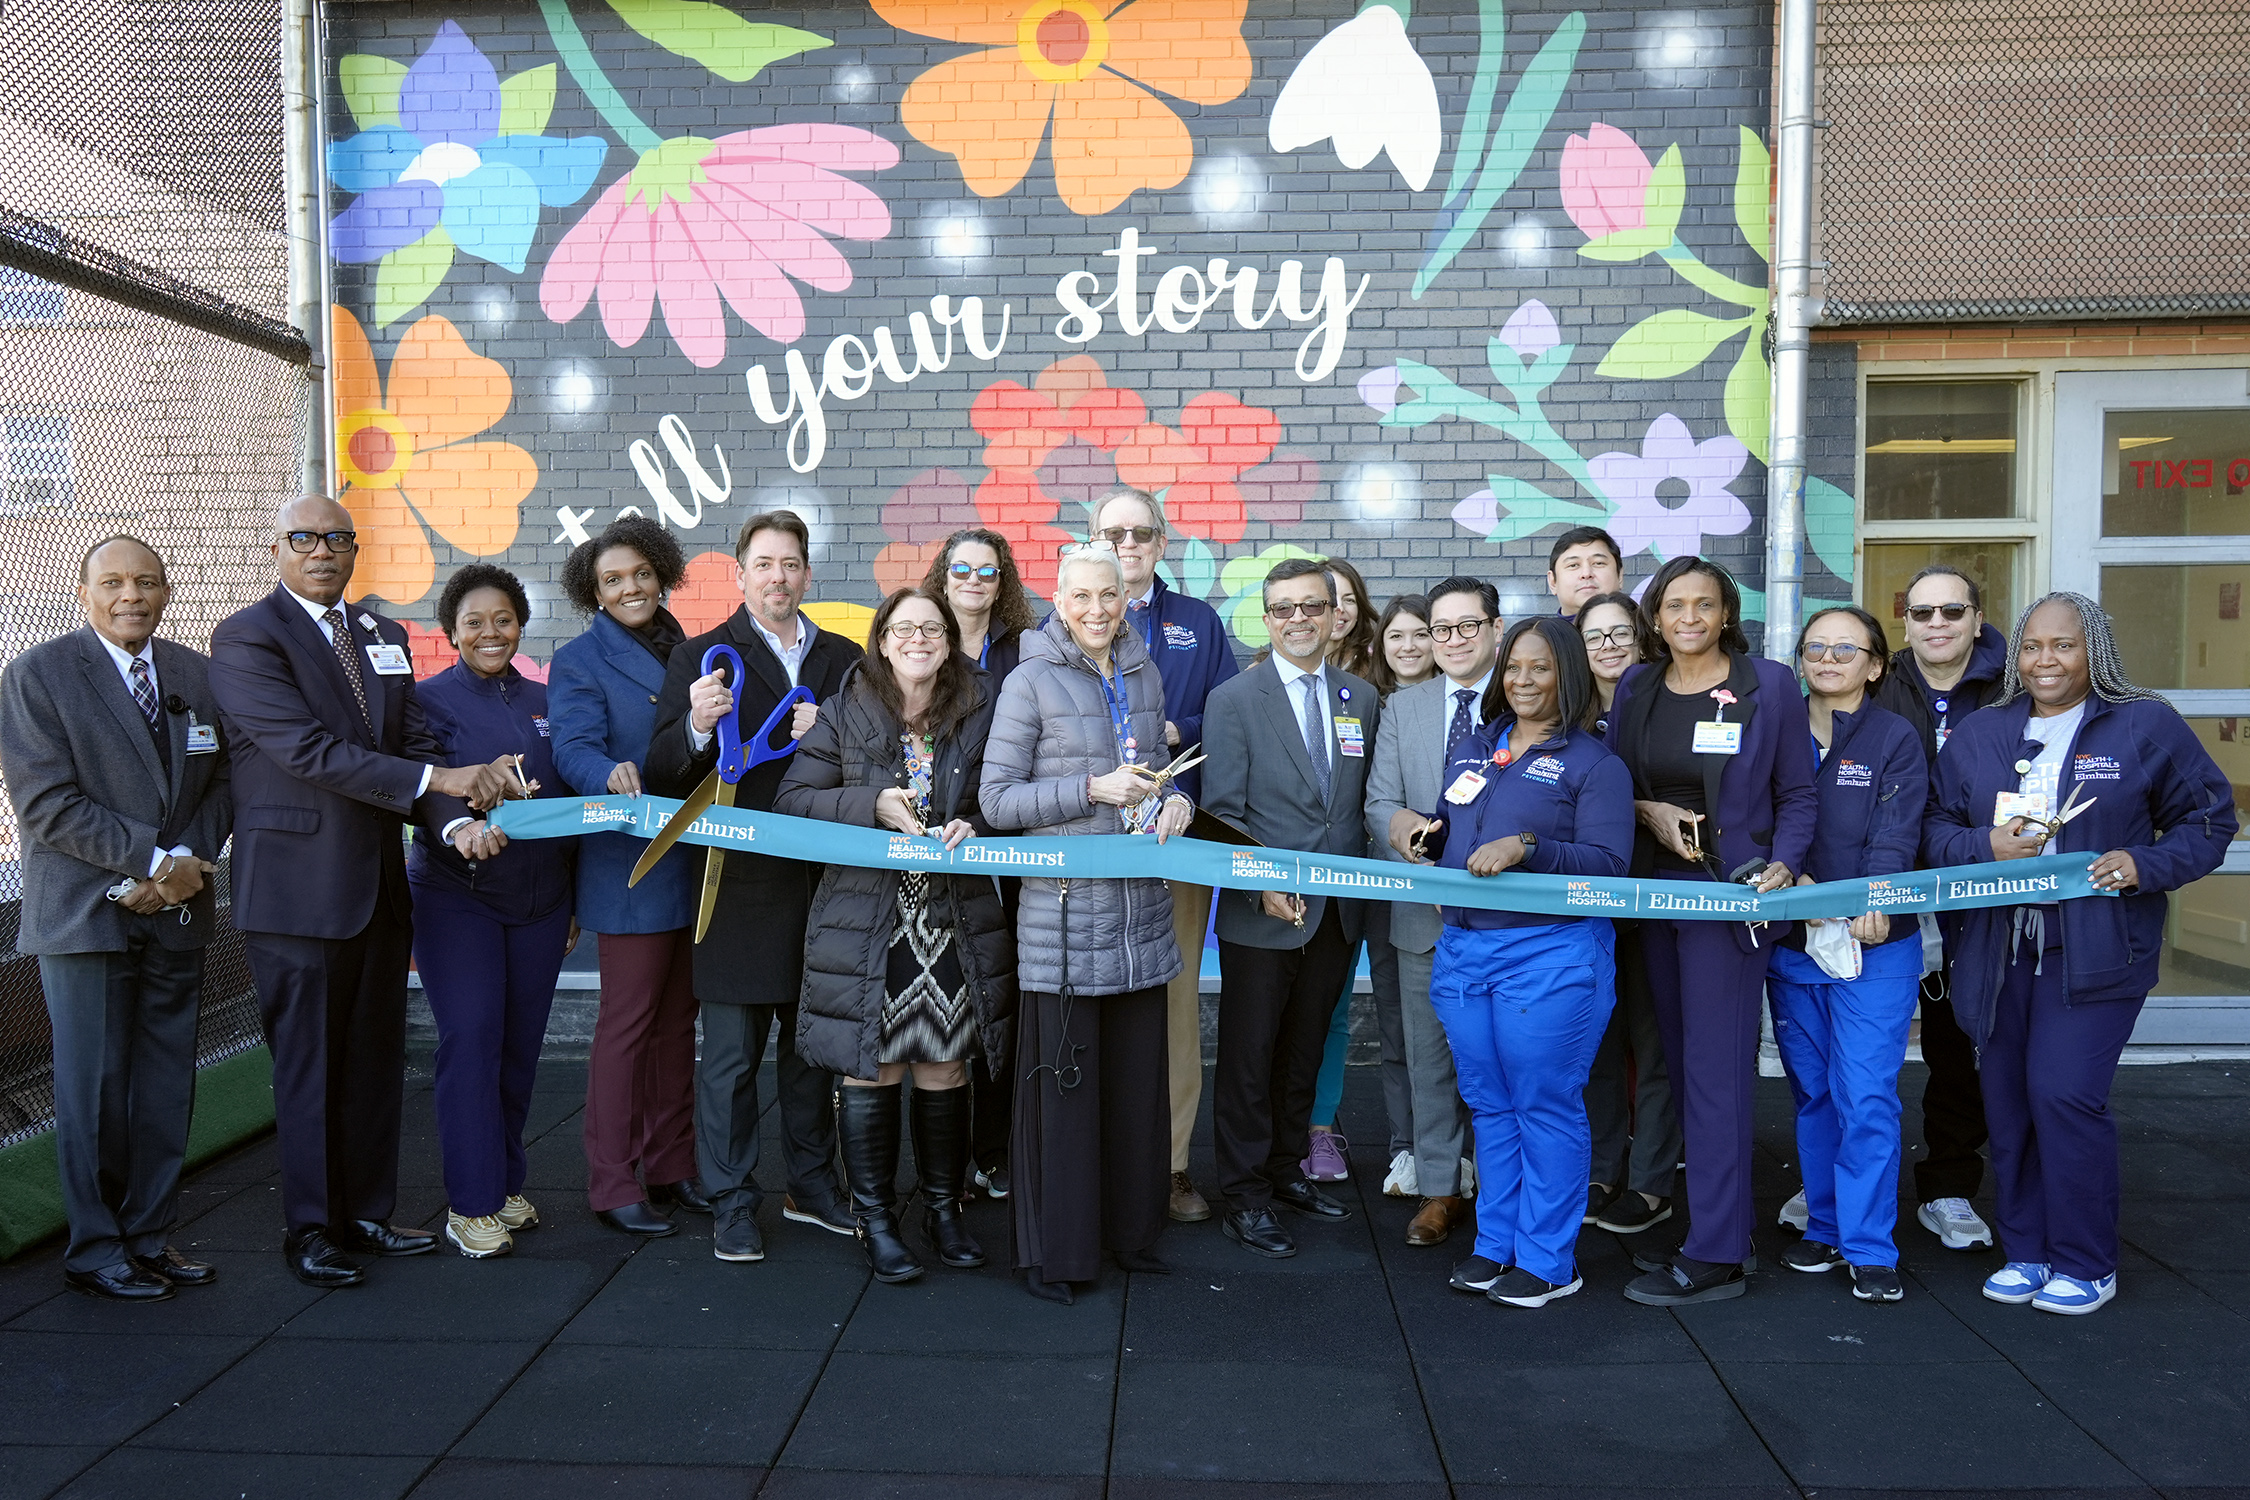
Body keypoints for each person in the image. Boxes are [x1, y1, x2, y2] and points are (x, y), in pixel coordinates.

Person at [210, 496, 514, 1287]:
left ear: (353, 550)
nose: (322, 550)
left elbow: (411, 741)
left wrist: (452, 822)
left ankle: (367, 1213)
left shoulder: (382, 634)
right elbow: (306, 750)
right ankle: (312, 1229)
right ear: (276, 549)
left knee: (375, 1058)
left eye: (337, 538)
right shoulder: (246, 637)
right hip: (296, 892)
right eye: (304, 537)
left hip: (377, 886)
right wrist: (440, 780)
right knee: (310, 1065)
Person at [1927, 592, 2235, 1316]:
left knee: (2063, 1094)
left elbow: (2209, 819)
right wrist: (1982, 845)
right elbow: (1933, 827)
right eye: (2032, 646)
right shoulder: (1981, 731)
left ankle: (2086, 1261)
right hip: (1998, 949)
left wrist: (2143, 864)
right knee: (2008, 1102)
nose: (2046, 661)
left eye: (2063, 645)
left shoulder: (2143, 724)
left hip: (2096, 948)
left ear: (2093, 651)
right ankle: (2028, 1251)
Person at [0, 537, 231, 1300]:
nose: (130, 595)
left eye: (146, 582)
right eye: (113, 583)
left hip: (178, 910)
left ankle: (150, 1236)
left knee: (165, 1084)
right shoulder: (36, 676)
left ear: (167, 592)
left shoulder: (197, 675)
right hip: (85, 915)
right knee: (94, 1090)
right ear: (84, 592)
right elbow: (46, 804)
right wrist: (154, 864)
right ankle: (95, 1248)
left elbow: (225, 780)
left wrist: (185, 865)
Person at [778, 587, 1016, 1282]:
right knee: (870, 1066)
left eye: (932, 628)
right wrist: (871, 803)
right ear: (882, 640)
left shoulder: (981, 706)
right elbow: (793, 800)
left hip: (952, 919)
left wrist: (979, 822)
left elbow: (1006, 798)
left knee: (946, 1066)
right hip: (868, 923)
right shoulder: (845, 709)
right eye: (904, 628)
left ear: (949, 641)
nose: (919, 639)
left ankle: (944, 1212)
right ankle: (876, 1220)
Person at [645, 510, 863, 1262]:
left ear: (807, 574)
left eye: (790, 564)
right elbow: (663, 771)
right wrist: (699, 729)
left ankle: (812, 1186)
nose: (778, 577)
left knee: (812, 1057)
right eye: (764, 564)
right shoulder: (701, 657)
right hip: (735, 889)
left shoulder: (845, 659)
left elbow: (875, 763)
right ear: (740, 574)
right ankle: (732, 1199)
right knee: (731, 1062)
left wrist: (831, 736)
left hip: (825, 888)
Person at [982, 543, 1192, 1303]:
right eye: (1082, 597)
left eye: (1109, 595)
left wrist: (1176, 802)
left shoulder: (1144, 672)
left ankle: (1131, 1236)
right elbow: (997, 803)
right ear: (1059, 601)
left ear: (1125, 597)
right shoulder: (1029, 679)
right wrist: (1090, 789)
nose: (1098, 609)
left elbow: (1157, 774)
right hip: (1065, 925)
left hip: (1140, 918)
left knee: (1135, 1094)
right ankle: (1059, 1258)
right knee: (1065, 1101)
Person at [1403, 616, 1633, 1306]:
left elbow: (1610, 865)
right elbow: (1452, 822)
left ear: (1569, 674)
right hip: (1463, 952)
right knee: (1490, 1104)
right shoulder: (1477, 747)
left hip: (1551, 955)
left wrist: (1528, 846)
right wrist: (1429, 841)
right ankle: (1494, 1245)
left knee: (1543, 1102)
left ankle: (1548, 1261)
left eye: (1540, 667)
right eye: (1513, 668)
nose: (1523, 680)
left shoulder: (1596, 764)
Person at [1607, 555, 1817, 1306]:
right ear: (1656, 617)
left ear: (1727, 613)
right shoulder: (1636, 686)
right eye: (1675, 605)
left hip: (1729, 901)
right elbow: (1614, 786)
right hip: (1652, 898)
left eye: (1704, 604)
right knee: (1677, 1062)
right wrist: (1649, 812)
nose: (1689, 617)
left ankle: (1719, 1253)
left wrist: (1786, 863)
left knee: (1716, 1072)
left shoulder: (1771, 686)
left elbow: (1798, 793)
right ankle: (1716, 1230)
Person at [1201, 559, 1380, 1258]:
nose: (1298, 619)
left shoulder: (1362, 697)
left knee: (1303, 1052)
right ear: (1267, 618)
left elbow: (1354, 806)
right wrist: (1258, 886)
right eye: (1283, 608)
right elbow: (1223, 813)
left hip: (1336, 912)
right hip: (1262, 912)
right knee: (1250, 1060)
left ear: (1336, 614)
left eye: (1312, 606)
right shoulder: (1233, 699)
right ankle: (1244, 1195)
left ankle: (1284, 1170)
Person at [410, 565, 578, 1259]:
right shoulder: (424, 701)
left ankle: (504, 1183)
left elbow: (571, 799)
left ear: (520, 627)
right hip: (459, 899)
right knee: (473, 1038)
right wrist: (459, 824)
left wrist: (572, 900)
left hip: (541, 902)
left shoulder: (548, 700)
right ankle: (471, 1203)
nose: (490, 632)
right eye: (474, 622)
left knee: (518, 1048)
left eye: (503, 620)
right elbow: (420, 789)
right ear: (451, 632)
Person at [1086, 485, 1238, 1225]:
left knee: (1175, 1003)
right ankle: (1089, 1160)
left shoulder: (1198, 622)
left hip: (1175, 841)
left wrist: (1179, 731)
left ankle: (1172, 1165)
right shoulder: (1063, 620)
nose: (1127, 545)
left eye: (1140, 533)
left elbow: (1230, 715)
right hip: (1086, 846)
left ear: (1161, 542)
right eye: (1112, 533)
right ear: (1092, 542)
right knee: (1088, 996)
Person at [1765, 607, 1927, 1303]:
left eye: (1845, 649)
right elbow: (1752, 817)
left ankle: (1869, 1246)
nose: (1828, 659)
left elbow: (1897, 828)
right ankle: (1826, 1226)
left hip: (1874, 941)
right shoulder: (1773, 728)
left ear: (1876, 664)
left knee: (1865, 1095)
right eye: (1816, 647)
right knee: (1814, 1094)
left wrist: (1874, 897)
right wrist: (1790, 882)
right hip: (1794, 944)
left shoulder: (1894, 736)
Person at [549, 517, 704, 1238]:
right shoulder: (580, 659)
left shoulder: (691, 649)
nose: (630, 588)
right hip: (629, 865)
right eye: (612, 579)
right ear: (594, 591)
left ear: (662, 573)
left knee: (677, 1025)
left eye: (641, 573)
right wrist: (606, 775)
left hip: (694, 860)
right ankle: (612, 1181)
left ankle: (671, 1165)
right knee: (627, 1027)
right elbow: (572, 748)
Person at [1869, 563, 2010, 1252]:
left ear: (1977, 620)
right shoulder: (1877, 680)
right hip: (1887, 881)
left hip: (1978, 887)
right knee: (1860, 1043)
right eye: (1922, 612)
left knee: (1960, 1044)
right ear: (1905, 624)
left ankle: (1948, 1187)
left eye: (1952, 611)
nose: (1937, 624)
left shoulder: (2015, 686)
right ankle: (1834, 1178)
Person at [1364, 576, 1494, 1243]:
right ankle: (1440, 1187)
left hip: (1507, 917)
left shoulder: (1523, 694)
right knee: (1429, 1057)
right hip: (1422, 909)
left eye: (1468, 626)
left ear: (1495, 629)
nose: (1453, 640)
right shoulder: (1404, 707)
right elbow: (1379, 801)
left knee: (1501, 1059)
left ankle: (1499, 1183)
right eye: (1443, 628)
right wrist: (1412, 840)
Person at [1303, 595, 1435, 1190]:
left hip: (1453, 885)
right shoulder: (1367, 703)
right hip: (1376, 881)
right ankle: (1405, 1147)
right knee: (1395, 1020)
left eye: (1422, 633)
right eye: (1397, 636)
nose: (1409, 646)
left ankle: (1456, 1150)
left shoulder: (1477, 708)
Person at [920, 526, 1035, 1198]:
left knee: (1000, 999)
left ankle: (993, 1152)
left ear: (1002, 581)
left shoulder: (1028, 649)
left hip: (1007, 843)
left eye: (987, 571)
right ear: (943, 575)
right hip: (931, 845)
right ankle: (941, 1166)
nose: (972, 580)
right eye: (960, 569)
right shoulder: (917, 642)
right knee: (941, 1005)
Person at [1574, 590, 1679, 1236]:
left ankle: (1651, 1181)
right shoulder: (1569, 715)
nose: (1609, 646)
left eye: (1621, 633)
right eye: (1595, 636)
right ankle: (1602, 1169)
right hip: (1591, 900)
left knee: (1654, 1040)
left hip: (1659, 893)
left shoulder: (1669, 707)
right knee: (1598, 1043)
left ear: (1642, 639)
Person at [1546, 525, 1626, 617]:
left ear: (1619, 576)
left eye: (1598, 563)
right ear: (1553, 582)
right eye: (1573, 565)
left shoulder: (1640, 626)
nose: (1586, 574)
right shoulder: (1538, 627)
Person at [1323, 556, 1379, 680]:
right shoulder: (1288, 664)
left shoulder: (1375, 667)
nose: (1339, 608)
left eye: (1349, 600)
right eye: (1330, 598)